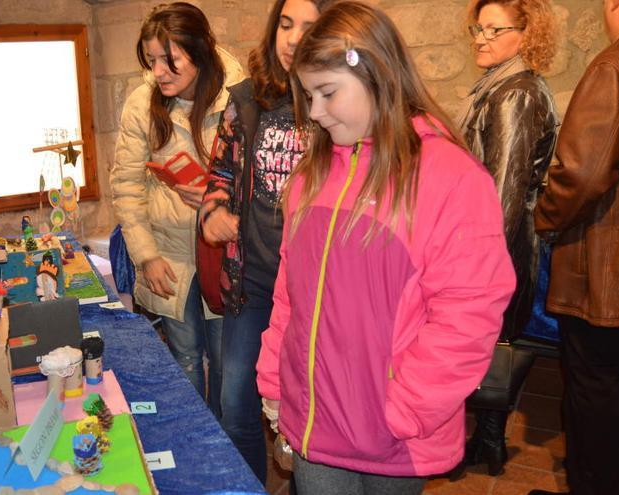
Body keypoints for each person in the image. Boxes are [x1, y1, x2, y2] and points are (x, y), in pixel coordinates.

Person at [254, 2, 516, 493]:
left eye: (328, 93)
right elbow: (290, 296)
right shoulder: (313, 175)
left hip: (393, 431)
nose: (314, 112)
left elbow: (469, 312)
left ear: (375, 74)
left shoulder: (449, 177)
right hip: (317, 421)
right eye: (309, 95)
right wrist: (275, 383)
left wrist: (406, 408)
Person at [199, 0, 335, 483]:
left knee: (315, 413)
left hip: (319, 291)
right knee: (236, 404)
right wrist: (213, 210)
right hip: (254, 281)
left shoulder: (342, 100)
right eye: (285, 23)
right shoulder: (247, 99)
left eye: (309, 27)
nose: (293, 38)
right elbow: (219, 172)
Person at [110, 2, 245, 416]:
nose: (159, 72)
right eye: (151, 60)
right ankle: (192, 452)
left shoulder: (240, 97)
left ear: (200, 51)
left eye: (170, 60)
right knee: (184, 360)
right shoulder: (141, 104)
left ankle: (225, 463)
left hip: (224, 257)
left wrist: (215, 193)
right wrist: (146, 256)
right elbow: (127, 187)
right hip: (168, 257)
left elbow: (261, 181)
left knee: (227, 367)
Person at [455, 0, 559, 477]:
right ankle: (489, 442)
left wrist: (478, 262)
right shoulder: (503, 86)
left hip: (498, 242)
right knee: (491, 340)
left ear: (527, 32)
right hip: (500, 240)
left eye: (495, 29)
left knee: (488, 341)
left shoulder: (515, 94)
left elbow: (504, 188)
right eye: (478, 27)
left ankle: (483, 443)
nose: (481, 37)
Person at [529, 1, 619, 493]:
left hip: (604, 285)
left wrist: (543, 220)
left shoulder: (614, 66)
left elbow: (581, 174)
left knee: (596, 402)